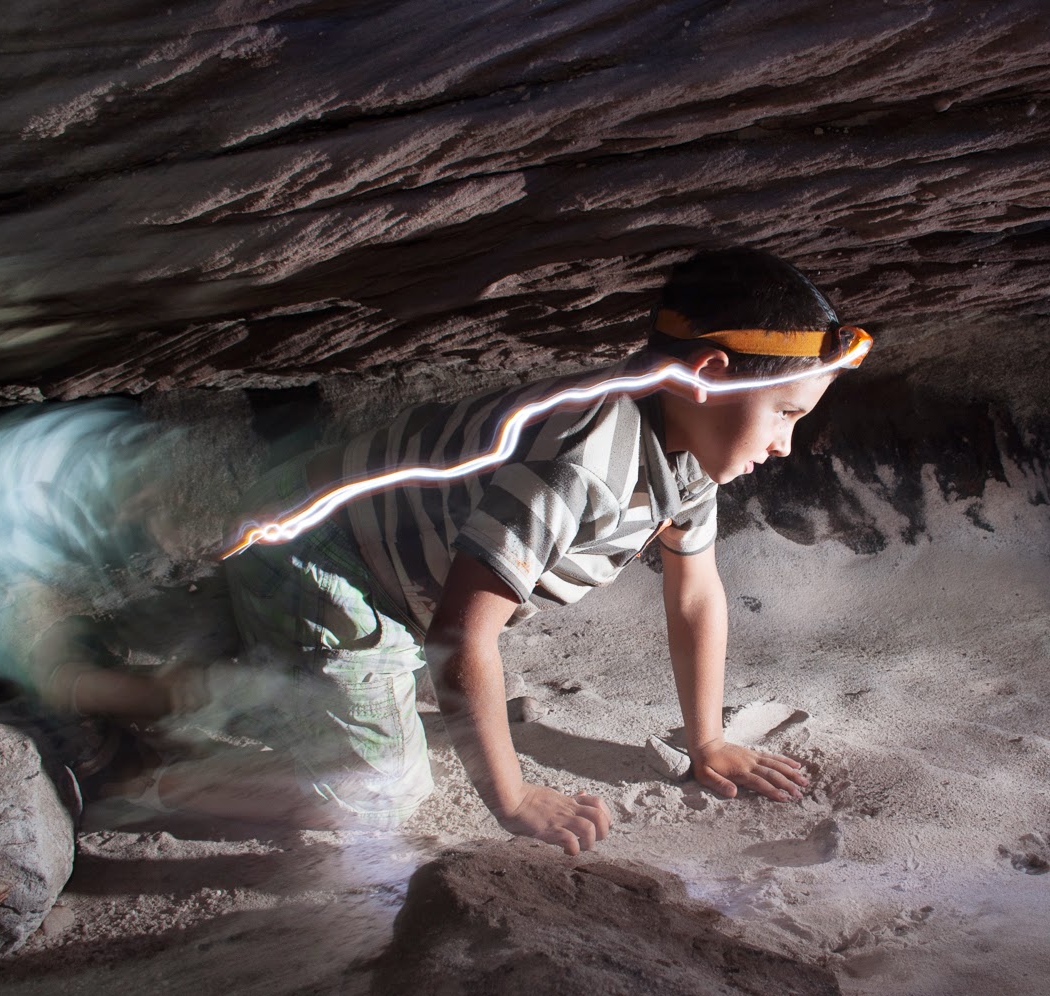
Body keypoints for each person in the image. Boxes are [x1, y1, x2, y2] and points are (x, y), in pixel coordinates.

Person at [167, 247, 871, 851]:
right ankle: (145, 769)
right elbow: (460, 634)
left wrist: (707, 742)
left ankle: (221, 647)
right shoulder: (580, 460)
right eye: (786, 412)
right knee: (377, 793)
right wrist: (512, 798)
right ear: (710, 375)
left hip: (381, 571)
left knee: (315, 665)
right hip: (318, 553)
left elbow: (695, 592)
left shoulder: (682, 444)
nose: (786, 444)